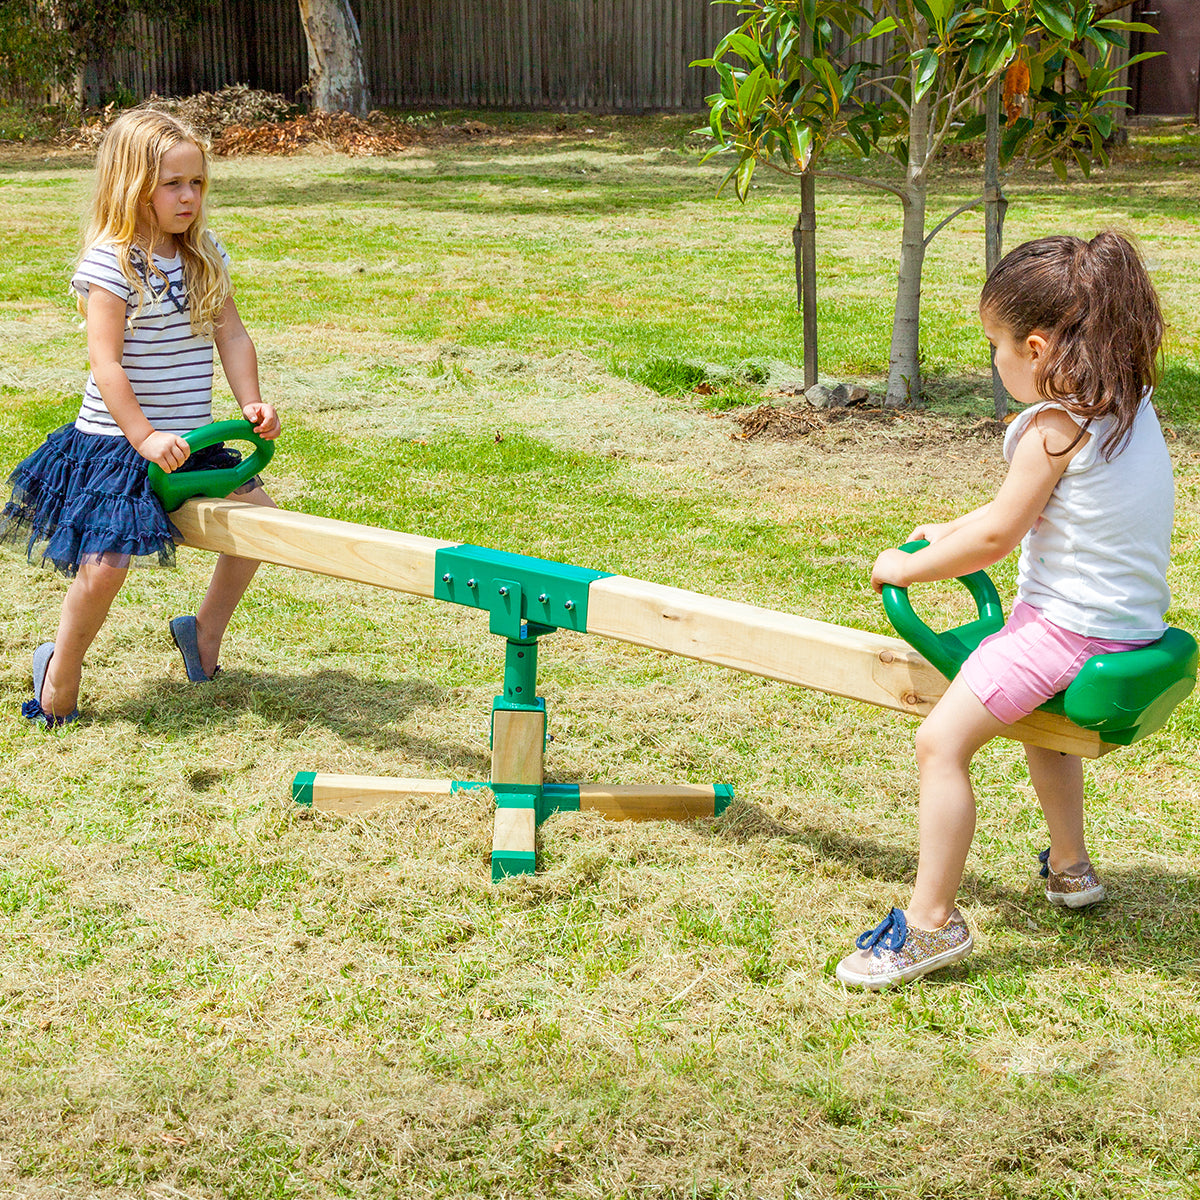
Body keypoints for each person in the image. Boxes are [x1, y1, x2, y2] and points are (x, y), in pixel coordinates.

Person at [836, 231, 1174, 989]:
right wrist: (947, 528)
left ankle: (929, 926)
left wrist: (910, 564)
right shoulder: (1126, 406)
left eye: (995, 346)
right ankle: (1071, 867)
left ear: (1035, 345)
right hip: (1127, 625)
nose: (994, 362)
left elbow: (999, 534)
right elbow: (1022, 512)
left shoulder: (1051, 429)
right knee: (1039, 731)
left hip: (1066, 629)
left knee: (940, 745)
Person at [0, 108, 280, 727]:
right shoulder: (113, 263)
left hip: (192, 441)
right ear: (133, 187)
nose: (189, 197)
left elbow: (231, 336)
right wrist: (144, 436)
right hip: (118, 445)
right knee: (105, 568)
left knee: (262, 527)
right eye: (173, 185)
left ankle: (202, 632)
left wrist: (250, 401)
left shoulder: (204, 254)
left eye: (198, 183)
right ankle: (60, 670)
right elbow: (107, 366)